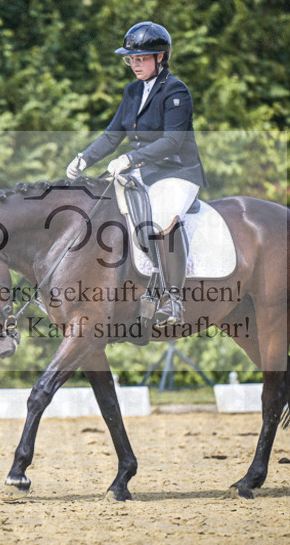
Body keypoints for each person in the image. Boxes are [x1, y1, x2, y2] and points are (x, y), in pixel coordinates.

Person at [65, 21, 207, 326]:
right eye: (131, 59)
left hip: (178, 172)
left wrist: (130, 158)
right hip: (144, 171)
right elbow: (111, 135)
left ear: (160, 57)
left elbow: (173, 141)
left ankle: (173, 300)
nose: (134, 64)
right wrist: (83, 159)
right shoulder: (131, 92)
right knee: (97, 205)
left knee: (163, 216)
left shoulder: (176, 90)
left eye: (140, 59)